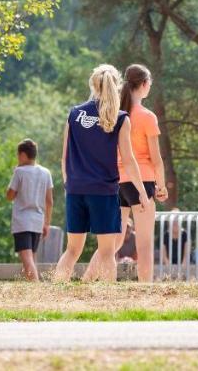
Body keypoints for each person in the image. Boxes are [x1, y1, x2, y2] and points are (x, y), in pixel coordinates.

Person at [53, 63, 150, 282]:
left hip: (76, 190)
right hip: (103, 191)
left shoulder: (74, 114)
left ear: (92, 85)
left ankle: (56, 293)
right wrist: (142, 192)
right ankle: (107, 300)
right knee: (107, 252)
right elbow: (128, 160)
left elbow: (64, 157)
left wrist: (70, 184)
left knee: (72, 251)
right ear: (117, 87)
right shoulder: (120, 117)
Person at [118, 64, 169, 282]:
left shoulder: (117, 113)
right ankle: (145, 290)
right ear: (144, 84)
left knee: (111, 243)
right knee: (145, 244)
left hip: (117, 180)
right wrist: (162, 186)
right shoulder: (147, 116)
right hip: (143, 180)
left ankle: (94, 282)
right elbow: (156, 160)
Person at [7, 138, 54, 281]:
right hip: (38, 221)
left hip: (22, 221)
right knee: (32, 256)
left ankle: (36, 287)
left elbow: (9, 196)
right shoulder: (46, 173)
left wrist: (15, 172)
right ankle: (30, 286)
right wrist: (47, 223)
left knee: (26, 257)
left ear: (22, 155)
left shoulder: (19, 172)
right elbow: (49, 201)